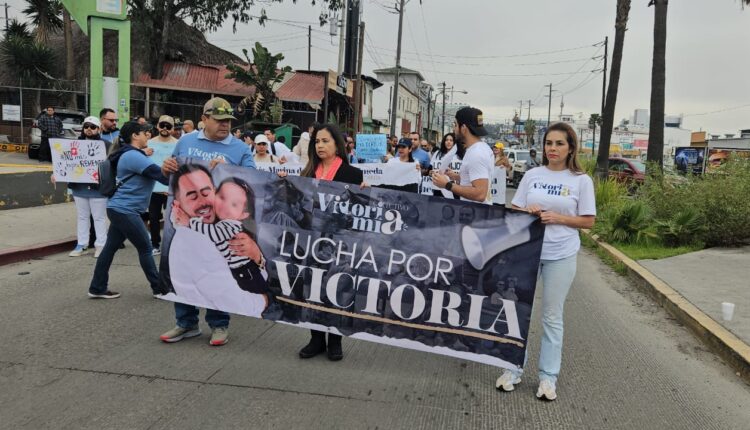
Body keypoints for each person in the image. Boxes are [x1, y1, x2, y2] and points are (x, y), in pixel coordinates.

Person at [495, 122, 596, 401]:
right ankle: (512, 368)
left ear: (570, 147)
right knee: (517, 312)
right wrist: (528, 209)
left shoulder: (581, 180)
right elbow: (515, 208)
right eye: (549, 143)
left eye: (559, 144)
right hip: (528, 252)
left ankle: (548, 378)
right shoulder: (532, 175)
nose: (553, 149)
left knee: (552, 316)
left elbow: (588, 220)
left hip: (560, 254)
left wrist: (559, 217)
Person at [159, 97, 259, 346]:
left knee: (217, 272)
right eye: (219, 120)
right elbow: (170, 177)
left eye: (228, 121)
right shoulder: (185, 141)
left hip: (218, 227)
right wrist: (166, 168)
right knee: (182, 270)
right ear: (204, 119)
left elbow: (254, 181)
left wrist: (230, 170)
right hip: (184, 223)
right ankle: (186, 323)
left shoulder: (239, 149)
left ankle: (219, 324)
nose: (225, 125)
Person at [298, 123, 364, 362]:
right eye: (317, 142)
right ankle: (316, 338)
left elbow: (358, 212)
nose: (320, 145)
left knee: (336, 289)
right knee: (313, 289)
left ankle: (334, 340)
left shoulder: (352, 174)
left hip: (339, 242)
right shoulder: (306, 172)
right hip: (311, 241)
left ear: (337, 144)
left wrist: (366, 193)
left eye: (325, 141)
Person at [87, 121, 169, 299]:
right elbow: (162, 176)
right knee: (146, 247)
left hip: (120, 208)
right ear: (135, 136)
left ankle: (97, 287)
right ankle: (159, 288)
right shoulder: (133, 156)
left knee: (109, 248)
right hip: (125, 210)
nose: (148, 135)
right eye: (145, 133)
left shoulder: (132, 154)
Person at [171, 177, 268, 296]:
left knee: (254, 295)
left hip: (246, 271)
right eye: (222, 197)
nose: (225, 205)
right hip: (232, 271)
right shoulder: (211, 218)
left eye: (234, 204)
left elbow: (213, 233)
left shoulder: (232, 225)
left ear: (243, 214)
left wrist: (189, 222)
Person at [56, 116, 110, 258]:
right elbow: (64, 160)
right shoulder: (74, 144)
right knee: (82, 217)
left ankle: (101, 244)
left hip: (98, 189)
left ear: (98, 129)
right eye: (86, 126)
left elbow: (113, 165)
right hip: (79, 187)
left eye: (92, 127)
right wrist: (56, 173)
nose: (89, 129)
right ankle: (82, 244)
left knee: (99, 217)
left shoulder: (106, 145)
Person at [431, 107, 494, 204]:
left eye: (455, 125)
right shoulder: (480, 148)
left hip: (476, 215)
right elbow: (475, 179)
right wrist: (457, 177)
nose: (454, 129)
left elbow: (480, 194)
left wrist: (447, 185)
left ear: (463, 128)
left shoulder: (476, 153)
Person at [147, 115, 179, 255]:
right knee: (153, 218)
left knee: (172, 219)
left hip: (172, 188)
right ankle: (155, 243)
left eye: (168, 126)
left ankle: (171, 244)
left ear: (172, 129)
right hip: (154, 188)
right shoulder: (149, 143)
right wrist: (143, 152)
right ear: (158, 126)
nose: (165, 128)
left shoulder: (178, 144)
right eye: (162, 125)